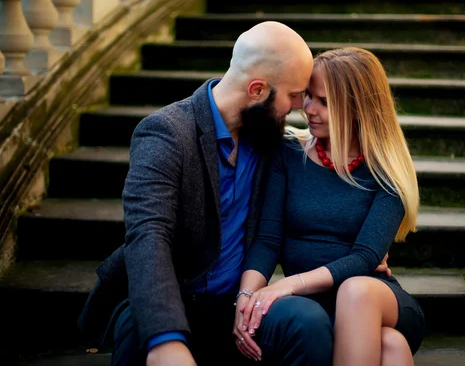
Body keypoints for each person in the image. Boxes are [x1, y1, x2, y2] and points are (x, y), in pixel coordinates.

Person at [77, 21, 323, 366]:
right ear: (256, 90)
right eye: (294, 94)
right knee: (139, 330)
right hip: (172, 298)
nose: (299, 105)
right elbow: (148, 235)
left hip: (239, 304)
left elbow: (334, 168)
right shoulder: (165, 132)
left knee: (307, 322)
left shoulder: (271, 139)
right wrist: (166, 340)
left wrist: (365, 247)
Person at [233, 47, 425, 366]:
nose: (309, 109)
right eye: (308, 95)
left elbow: (365, 257)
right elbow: (267, 240)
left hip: (374, 299)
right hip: (314, 310)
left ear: (359, 108)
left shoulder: (387, 170)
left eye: (325, 102)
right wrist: (246, 297)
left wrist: (289, 284)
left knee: (356, 291)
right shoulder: (287, 154)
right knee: (390, 347)